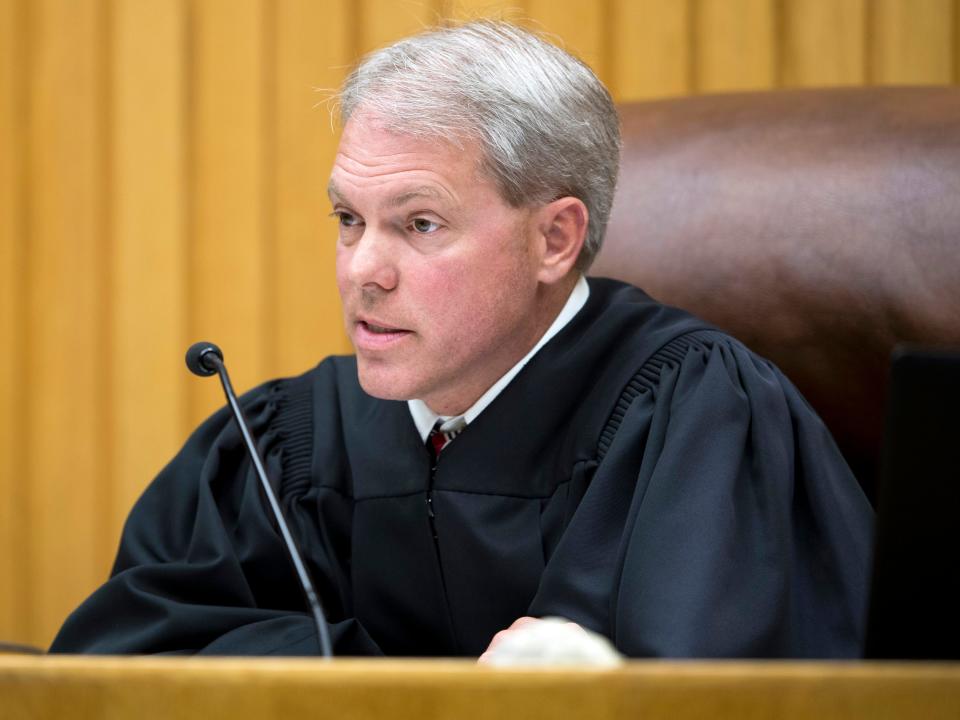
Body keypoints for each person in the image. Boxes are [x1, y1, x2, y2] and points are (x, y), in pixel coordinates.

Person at [50, 20, 873, 658]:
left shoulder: (696, 420)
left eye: (419, 223)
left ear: (553, 239)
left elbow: (727, 686)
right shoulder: (290, 446)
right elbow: (134, 659)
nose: (363, 269)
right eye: (348, 219)